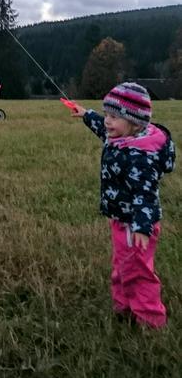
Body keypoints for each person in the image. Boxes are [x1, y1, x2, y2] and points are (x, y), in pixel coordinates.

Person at [68, 82, 175, 328]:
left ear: (135, 122)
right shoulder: (121, 136)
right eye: (106, 114)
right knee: (122, 266)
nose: (107, 121)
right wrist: (86, 114)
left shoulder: (140, 156)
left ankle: (150, 320)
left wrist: (141, 227)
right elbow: (100, 128)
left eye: (114, 117)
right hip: (121, 219)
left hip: (134, 225)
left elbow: (145, 194)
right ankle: (123, 308)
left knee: (138, 271)